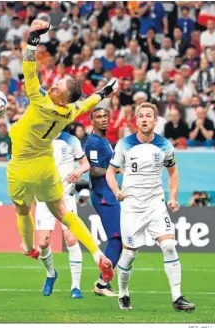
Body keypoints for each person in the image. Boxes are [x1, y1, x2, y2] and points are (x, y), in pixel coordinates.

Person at [7, 19, 116, 282]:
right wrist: (103, 93)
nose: (54, 85)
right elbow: (87, 104)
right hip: (46, 164)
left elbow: (29, 70)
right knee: (63, 213)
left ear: (60, 98)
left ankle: (27, 246)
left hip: (22, 165)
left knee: (22, 210)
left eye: (58, 88)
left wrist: (33, 37)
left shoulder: (40, 100)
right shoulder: (69, 111)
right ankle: (97, 254)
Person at [106, 102, 196, 312]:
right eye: (141, 116)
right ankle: (123, 293)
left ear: (156, 121)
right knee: (129, 254)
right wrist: (116, 190)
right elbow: (110, 172)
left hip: (156, 204)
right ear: (136, 120)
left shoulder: (165, 145)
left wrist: (172, 197)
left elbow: (173, 173)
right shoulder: (124, 144)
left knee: (169, 245)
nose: (144, 119)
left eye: (148, 116)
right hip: (132, 206)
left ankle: (177, 298)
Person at [34, 131, 90, 298]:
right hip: (44, 198)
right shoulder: (38, 138)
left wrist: (79, 171)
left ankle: (75, 287)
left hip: (66, 198)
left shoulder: (71, 140)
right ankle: (51, 273)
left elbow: (85, 163)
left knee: (71, 238)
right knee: (43, 244)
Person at [84, 108, 123, 297]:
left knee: (119, 239)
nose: (103, 119)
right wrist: (114, 170)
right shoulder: (93, 142)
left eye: (105, 116)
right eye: (98, 117)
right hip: (103, 195)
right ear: (92, 122)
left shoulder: (104, 141)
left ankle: (103, 282)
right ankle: (102, 283)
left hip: (109, 193)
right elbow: (92, 170)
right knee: (117, 238)